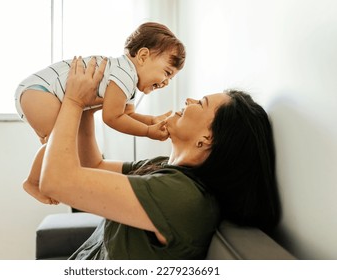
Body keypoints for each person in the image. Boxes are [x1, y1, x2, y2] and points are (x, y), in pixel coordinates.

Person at [35, 57, 281, 260]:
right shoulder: (165, 169)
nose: (189, 100)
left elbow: (56, 182)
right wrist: (88, 109)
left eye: (201, 103)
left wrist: (74, 101)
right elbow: (93, 166)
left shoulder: (180, 196)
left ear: (206, 139)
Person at [15, 22, 186, 204]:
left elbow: (126, 114)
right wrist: (148, 131)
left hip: (40, 93)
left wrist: (151, 120)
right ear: (143, 56)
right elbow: (112, 117)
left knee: (61, 141)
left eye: (171, 78)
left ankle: (37, 178)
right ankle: (33, 182)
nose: (167, 82)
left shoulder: (128, 80)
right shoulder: (124, 75)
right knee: (61, 141)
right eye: (167, 73)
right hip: (40, 92)